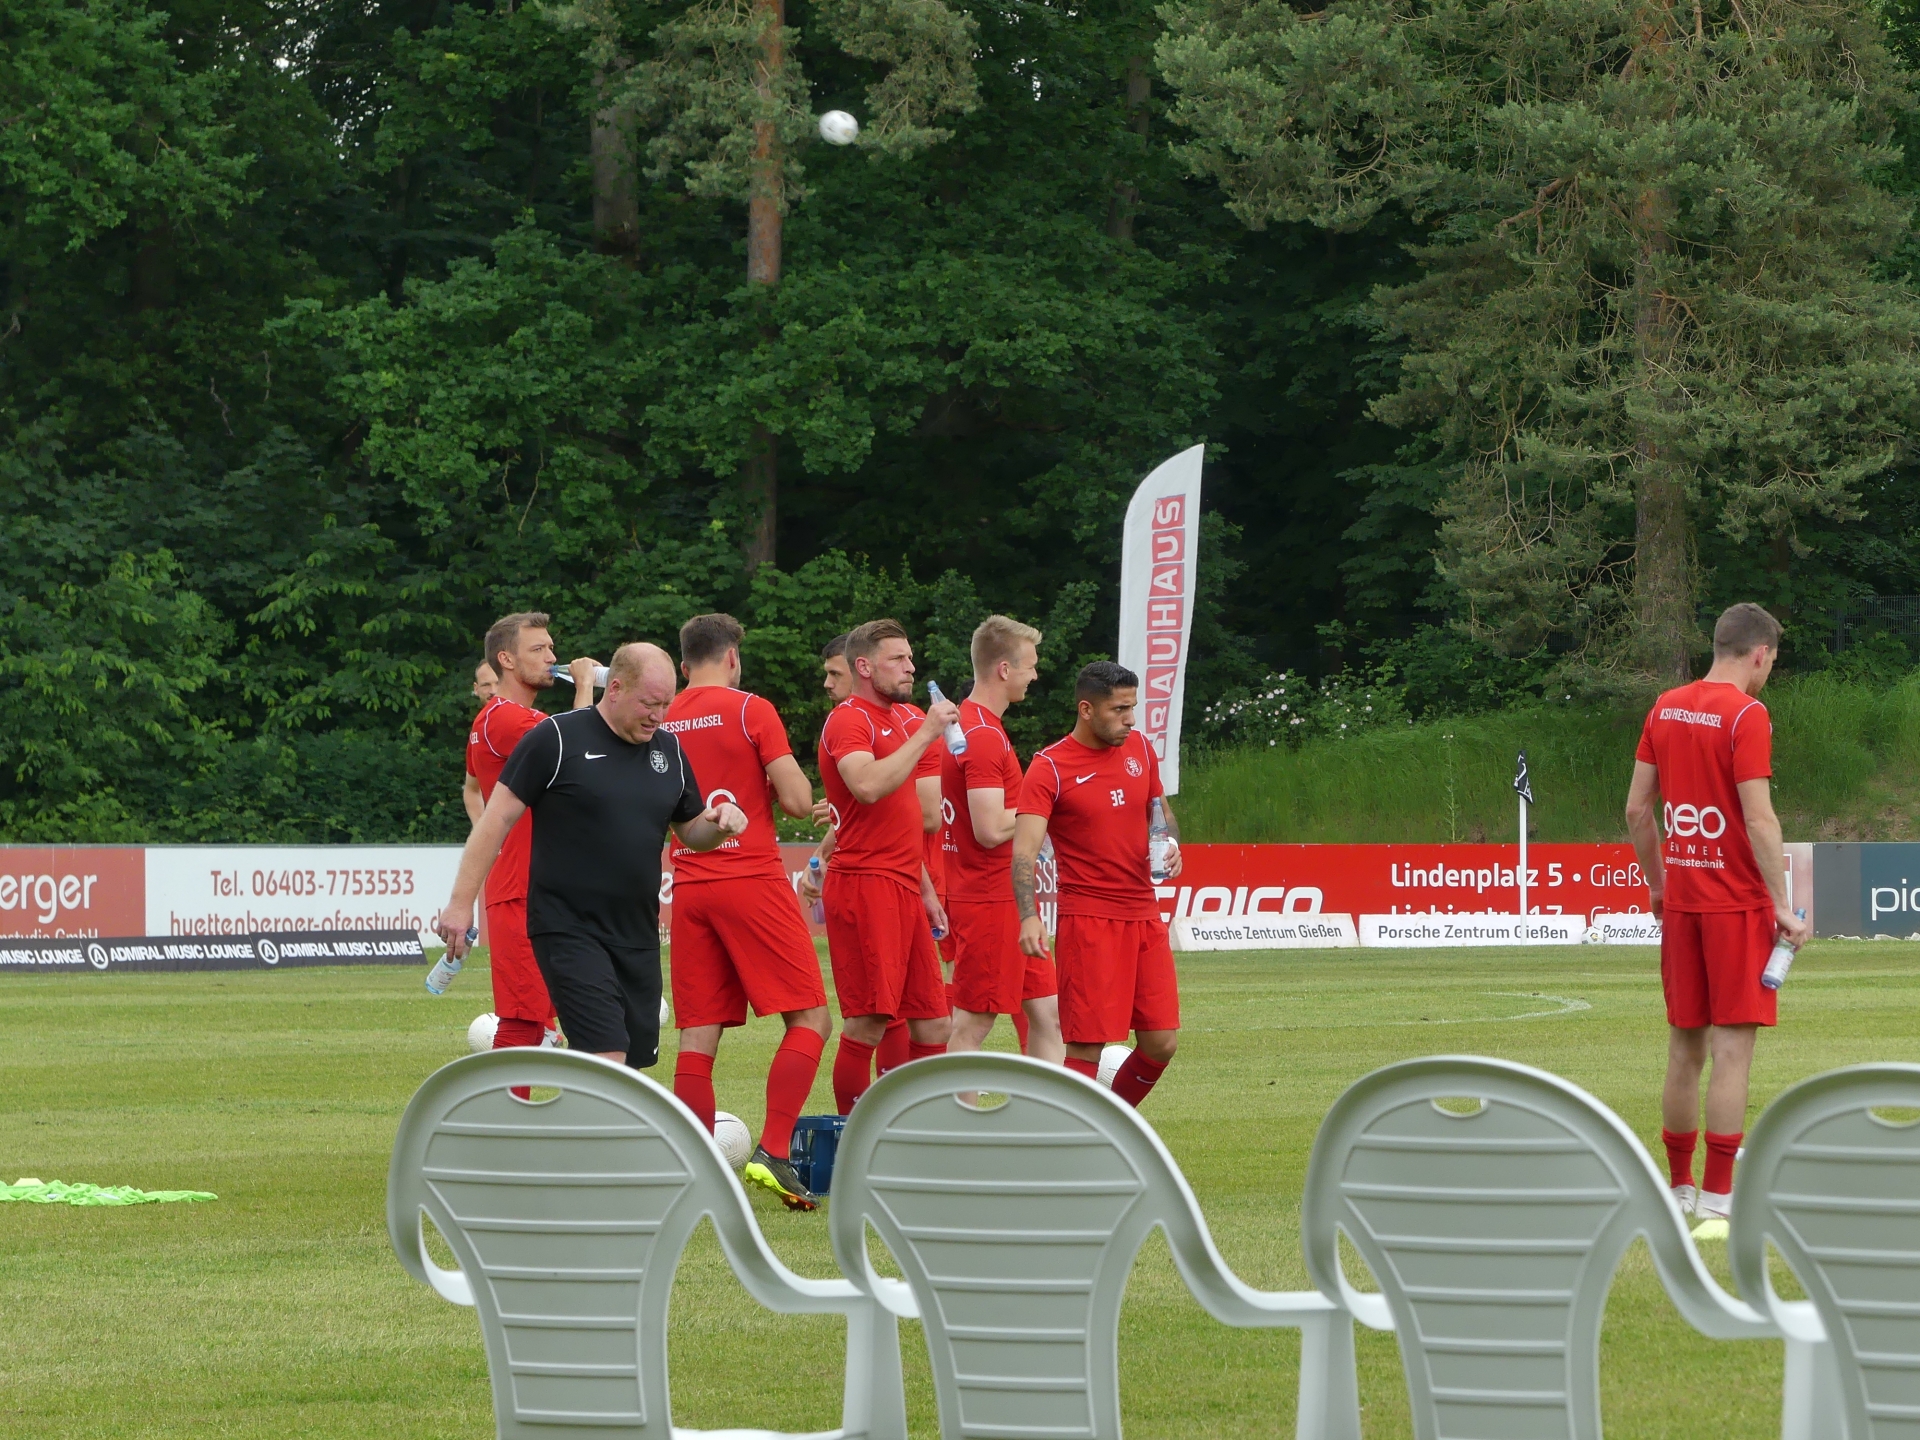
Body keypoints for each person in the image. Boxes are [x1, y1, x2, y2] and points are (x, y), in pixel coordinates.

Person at [436, 643, 747, 1071]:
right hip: (567, 928)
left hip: (637, 933)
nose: (658, 716)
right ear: (614, 689)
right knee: (607, 1054)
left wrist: (719, 824)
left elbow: (691, 831)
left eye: (666, 705)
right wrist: (460, 903)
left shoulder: (669, 751)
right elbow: (495, 820)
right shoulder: (556, 738)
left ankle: (577, 1114)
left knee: (630, 1066)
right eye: (649, 704)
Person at [1625, 602, 1809, 1223]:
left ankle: (1678, 1187)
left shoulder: (1664, 706)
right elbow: (1759, 818)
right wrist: (1781, 905)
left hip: (1682, 902)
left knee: (1685, 1050)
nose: (1768, 673)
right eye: (1771, 662)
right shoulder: (1747, 715)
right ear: (1759, 653)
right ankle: (1719, 1197)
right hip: (1735, 904)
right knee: (1732, 1051)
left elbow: (1637, 810)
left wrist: (1658, 886)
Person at [663, 613, 832, 1210]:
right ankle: (775, 1151)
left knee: (698, 1034)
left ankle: (696, 1176)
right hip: (750, 878)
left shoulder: (663, 714)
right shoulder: (750, 709)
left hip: (689, 885)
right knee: (811, 1019)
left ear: (683, 665)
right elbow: (798, 800)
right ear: (732, 656)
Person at [1013, 662, 1184, 1106]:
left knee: (1161, 1042)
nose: (1130, 719)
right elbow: (1024, 852)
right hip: (1090, 920)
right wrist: (1029, 916)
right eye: (1119, 709)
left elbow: (1161, 815)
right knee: (1086, 1047)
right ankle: (1072, 1140)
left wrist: (1170, 844)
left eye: (1133, 707)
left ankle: (1107, 1128)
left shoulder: (1140, 748)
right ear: (1086, 709)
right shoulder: (1050, 767)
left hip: (1144, 915)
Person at [817, 619, 957, 1111]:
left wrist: (926, 890)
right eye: (898, 659)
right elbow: (868, 786)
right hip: (864, 882)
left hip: (903, 883)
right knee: (869, 1021)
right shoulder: (849, 718)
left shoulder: (902, 718)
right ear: (864, 666)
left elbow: (912, 818)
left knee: (934, 1022)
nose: (910, 667)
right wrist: (926, 734)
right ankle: (852, 1136)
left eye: (910, 658)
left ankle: (915, 1131)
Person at [460, 614, 599, 1057]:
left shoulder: (502, 719)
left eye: (551, 648)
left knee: (563, 1020)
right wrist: (584, 687)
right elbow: (581, 754)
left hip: (539, 887)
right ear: (506, 660)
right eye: (538, 649)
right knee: (521, 1025)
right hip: (523, 891)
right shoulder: (506, 718)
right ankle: (505, 1104)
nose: (552, 657)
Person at [943, 616, 1063, 1062]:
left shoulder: (969, 723)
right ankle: (952, 1108)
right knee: (973, 1024)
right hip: (989, 899)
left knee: (1048, 1015)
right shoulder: (982, 735)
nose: (1036, 675)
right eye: (1030, 666)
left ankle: (1045, 1109)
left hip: (1006, 899)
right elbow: (990, 828)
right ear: (1004, 669)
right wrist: (1049, 804)